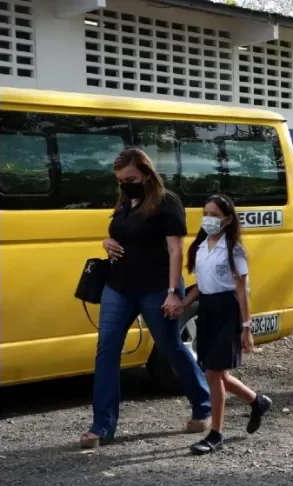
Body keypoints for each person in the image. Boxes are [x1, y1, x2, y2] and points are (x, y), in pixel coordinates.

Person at [80, 148, 211, 449]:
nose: (125, 185)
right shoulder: (126, 201)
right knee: (106, 350)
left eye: (130, 178)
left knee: (170, 347)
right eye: (120, 180)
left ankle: (203, 405)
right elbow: (122, 234)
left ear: (147, 173)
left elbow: (176, 250)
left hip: (157, 287)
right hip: (119, 286)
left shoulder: (168, 203)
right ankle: (102, 426)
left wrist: (172, 293)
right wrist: (107, 241)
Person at [180, 194, 273, 455]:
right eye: (206, 214)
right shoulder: (199, 248)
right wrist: (184, 303)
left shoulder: (234, 249)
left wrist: (246, 327)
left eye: (215, 215)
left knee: (213, 372)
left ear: (227, 219)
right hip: (207, 309)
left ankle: (216, 434)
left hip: (228, 310)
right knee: (218, 373)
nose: (209, 219)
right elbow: (201, 285)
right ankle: (257, 401)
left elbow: (242, 290)